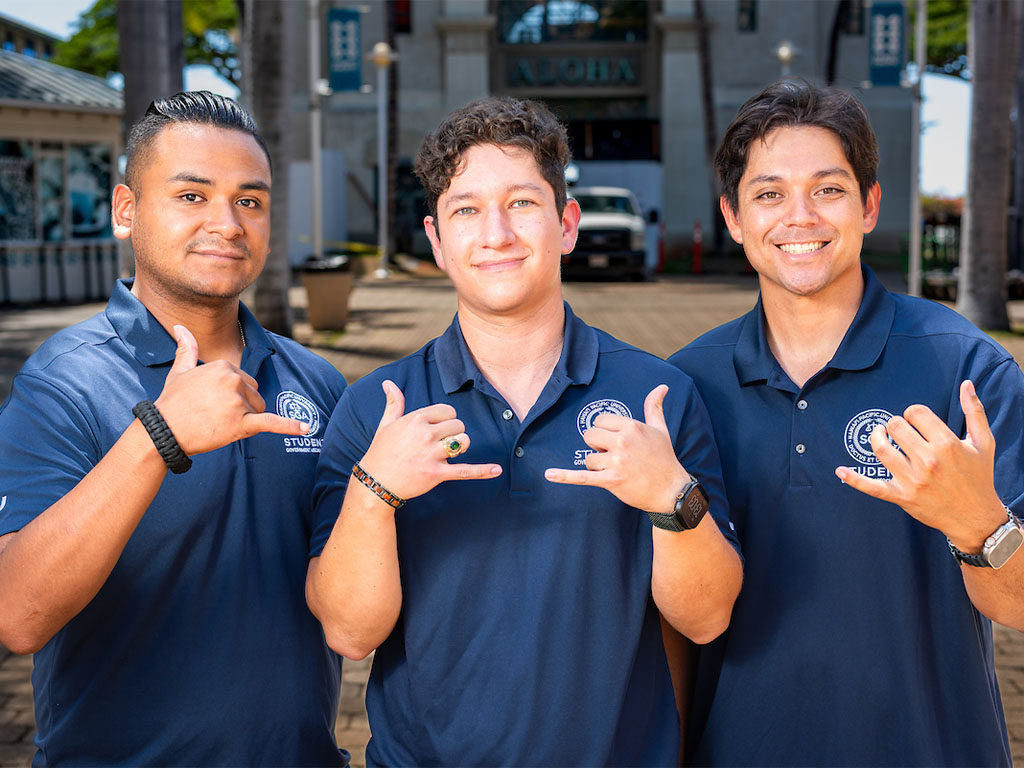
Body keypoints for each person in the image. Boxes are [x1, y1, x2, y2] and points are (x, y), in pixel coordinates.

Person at [306, 96, 743, 766]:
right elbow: (348, 632)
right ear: (437, 241)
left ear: (566, 224)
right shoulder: (377, 408)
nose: (496, 233)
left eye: (522, 204)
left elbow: (707, 618)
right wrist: (373, 495)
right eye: (466, 210)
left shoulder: (659, 396)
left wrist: (670, 497)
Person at [668, 78, 1024, 766]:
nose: (798, 217)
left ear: (869, 205)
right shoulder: (683, 385)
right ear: (733, 218)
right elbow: (670, 626)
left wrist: (980, 525)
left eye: (828, 190)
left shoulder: (965, 370)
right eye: (769, 194)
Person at [0, 92, 348, 766]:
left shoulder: (317, 382)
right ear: (126, 211)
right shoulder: (64, 381)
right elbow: (18, 614)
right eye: (192, 196)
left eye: (250, 200)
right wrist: (159, 435)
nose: (227, 222)